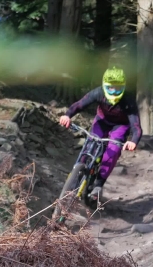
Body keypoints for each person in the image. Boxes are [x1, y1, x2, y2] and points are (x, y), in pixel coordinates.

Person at [59, 66, 142, 201]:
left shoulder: (128, 100)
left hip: (120, 125)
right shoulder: (98, 92)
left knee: (113, 151)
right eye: (110, 88)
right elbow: (79, 105)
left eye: (118, 88)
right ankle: (76, 172)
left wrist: (133, 141)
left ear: (124, 87)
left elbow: (136, 126)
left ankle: (98, 184)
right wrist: (67, 115)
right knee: (90, 145)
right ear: (104, 85)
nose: (114, 92)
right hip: (102, 121)